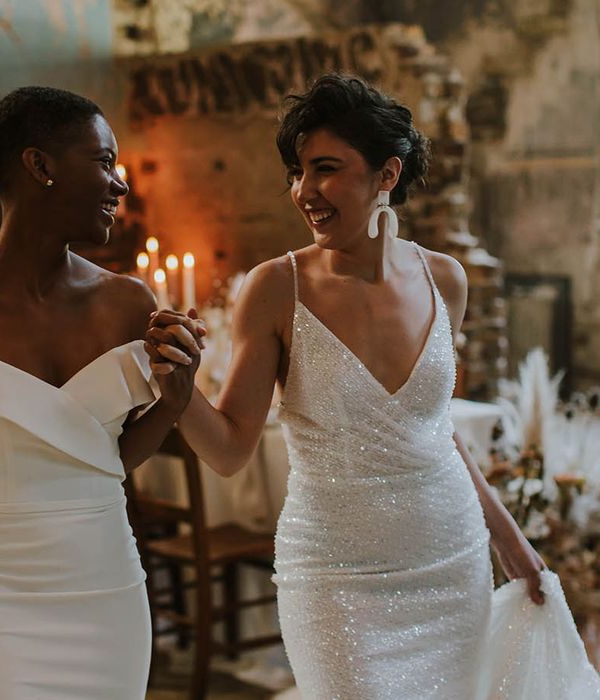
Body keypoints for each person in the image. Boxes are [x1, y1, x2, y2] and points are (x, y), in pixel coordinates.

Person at [145, 75, 600, 698]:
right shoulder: (277, 287)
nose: (304, 191)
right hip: (335, 576)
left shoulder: (447, 280)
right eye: (297, 172)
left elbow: (435, 432)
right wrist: (180, 390)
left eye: (325, 169)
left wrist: (512, 543)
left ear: (388, 173)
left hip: (450, 559)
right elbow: (227, 452)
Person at [0, 86, 200, 700]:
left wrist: (175, 399)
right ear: (40, 166)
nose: (121, 184)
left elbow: (107, 461)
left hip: (106, 589)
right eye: (103, 161)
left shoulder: (129, 304)